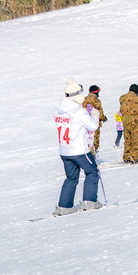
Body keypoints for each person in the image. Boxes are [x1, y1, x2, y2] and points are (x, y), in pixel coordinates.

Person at [52, 79, 101, 215]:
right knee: (92, 172)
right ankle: (89, 202)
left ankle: (64, 206)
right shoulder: (79, 111)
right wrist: (95, 115)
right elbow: (93, 126)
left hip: (65, 150)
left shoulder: (57, 110)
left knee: (71, 178)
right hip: (79, 149)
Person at [119, 84, 138, 163]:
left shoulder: (122, 98)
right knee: (136, 140)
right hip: (136, 121)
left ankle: (126, 156)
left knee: (127, 140)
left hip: (125, 121)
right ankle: (134, 157)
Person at [83, 85, 108, 154]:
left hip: (85, 123)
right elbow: (99, 113)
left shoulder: (84, 99)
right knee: (95, 142)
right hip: (95, 123)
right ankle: (93, 157)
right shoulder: (97, 101)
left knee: (87, 140)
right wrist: (103, 118)